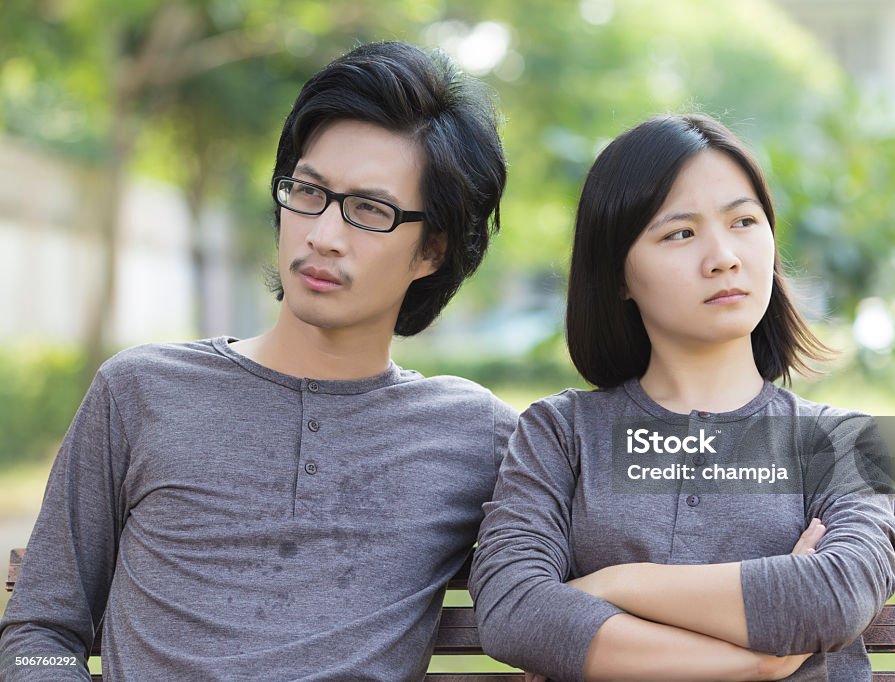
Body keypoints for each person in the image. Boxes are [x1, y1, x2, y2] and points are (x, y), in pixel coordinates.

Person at [0, 41, 516, 681]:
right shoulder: (141, 391)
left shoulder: (476, 434)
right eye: (308, 190)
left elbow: (619, 546)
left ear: (432, 250)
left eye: (369, 210)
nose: (322, 234)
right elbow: (38, 629)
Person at [468, 113, 895, 682]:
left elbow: (835, 594)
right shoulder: (560, 433)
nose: (724, 256)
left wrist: (615, 584)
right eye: (679, 233)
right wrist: (756, 664)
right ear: (618, 276)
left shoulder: (840, 439)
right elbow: (514, 608)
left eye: (744, 221)